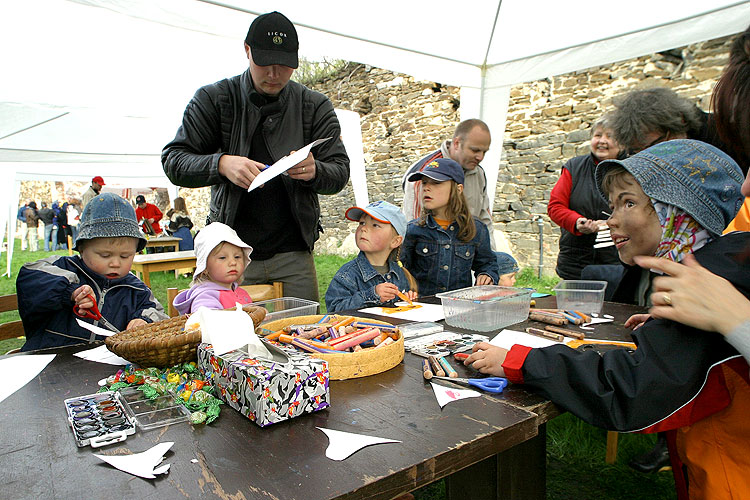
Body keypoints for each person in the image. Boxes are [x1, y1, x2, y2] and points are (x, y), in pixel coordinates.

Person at [464, 140, 749, 500]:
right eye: (612, 205)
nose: (611, 219)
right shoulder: (722, 271)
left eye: (628, 202)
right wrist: (665, 329)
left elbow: (629, 389)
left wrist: (519, 360)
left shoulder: (710, 281)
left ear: (678, 212)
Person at [162, 11, 350, 303]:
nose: (274, 74)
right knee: (233, 343)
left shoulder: (314, 105)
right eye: (265, 63)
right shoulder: (214, 99)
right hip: (229, 255)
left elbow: (339, 171)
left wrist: (315, 171)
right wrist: (222, 164)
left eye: (284, 65)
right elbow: (173, 161)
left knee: (306, 337)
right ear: (247, 51)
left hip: (294, 253)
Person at [16, 193, 168, 351]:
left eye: (125, 256)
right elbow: (29, 274)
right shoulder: (63, 268)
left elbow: (158, 313)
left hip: (108, 369)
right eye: (105, 255)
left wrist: (144, 321)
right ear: (81, 248)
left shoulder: (136, 289)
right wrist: (70, 291)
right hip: (49, 364)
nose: (115, 263)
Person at [401, 158, 498, 296]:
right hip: (423, 309)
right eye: (424, 183)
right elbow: (400, 269)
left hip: (460, 308)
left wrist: (487, 275)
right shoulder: (412, 230)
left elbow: (488, 263)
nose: (427, 188)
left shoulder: (477, 229)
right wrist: (407, 290)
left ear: (458, 189)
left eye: (436, 183)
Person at [547, 115, 623, 283]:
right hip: (576, 261)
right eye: (598, 135)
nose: (602, 141)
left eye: (610, 136)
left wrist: (611, 223)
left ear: (622, 142)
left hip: (617, 260)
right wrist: (577, 222)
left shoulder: (630, 170)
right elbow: (555, 206)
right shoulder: (574, 168)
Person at [401, 119, 495, 247]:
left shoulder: (478, 173)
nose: (480, 157)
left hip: (469, 257)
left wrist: (492, 256)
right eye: (475, 150)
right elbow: (413, 227)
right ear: (456, 143)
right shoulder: (424, 172)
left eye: (484, 152)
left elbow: (485, 220)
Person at [325, 201, 418, 313]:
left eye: (375, 225)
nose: (363, 229)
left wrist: (407, 298)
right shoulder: (347, 275)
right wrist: (371, 295)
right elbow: (334, 310)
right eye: (362, 223)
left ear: (395, 241)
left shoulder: (400, 274)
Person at [173, 222, 253, 315]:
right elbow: (208, 322)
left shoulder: (240, 292)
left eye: (237, 257)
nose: (233, 262)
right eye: (222, 258)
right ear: (205, 267)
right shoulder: (205, 298)